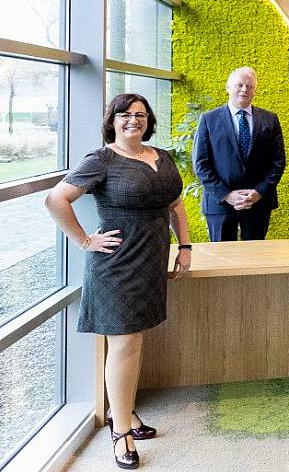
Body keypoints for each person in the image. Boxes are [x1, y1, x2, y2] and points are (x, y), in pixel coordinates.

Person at [45, 93, 192, 469]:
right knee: (125, 343)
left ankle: (122, 412)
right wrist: (85, 241)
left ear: (149, 121)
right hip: (115, 265)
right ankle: (121, 431)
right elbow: (56, 200)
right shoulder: (101, 160)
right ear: (112, 120)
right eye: (125, 115)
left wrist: (185, 245)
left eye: (140, 115)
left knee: (133, 342)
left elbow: (175, 205)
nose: (133, 121)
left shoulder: (161, 156)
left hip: (151, 261)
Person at [192, 66, 286, 241]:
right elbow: (201, 164)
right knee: (222, 260)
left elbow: (278, 162)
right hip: (219, 203)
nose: (244, 89)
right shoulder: (208, 119)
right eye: (239, 85)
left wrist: (258, 192)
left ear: (255, 91)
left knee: (254, 258)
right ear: (228, 87)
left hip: (258, 203)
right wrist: (226, 195)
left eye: (250, 86)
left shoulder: (270, 120)